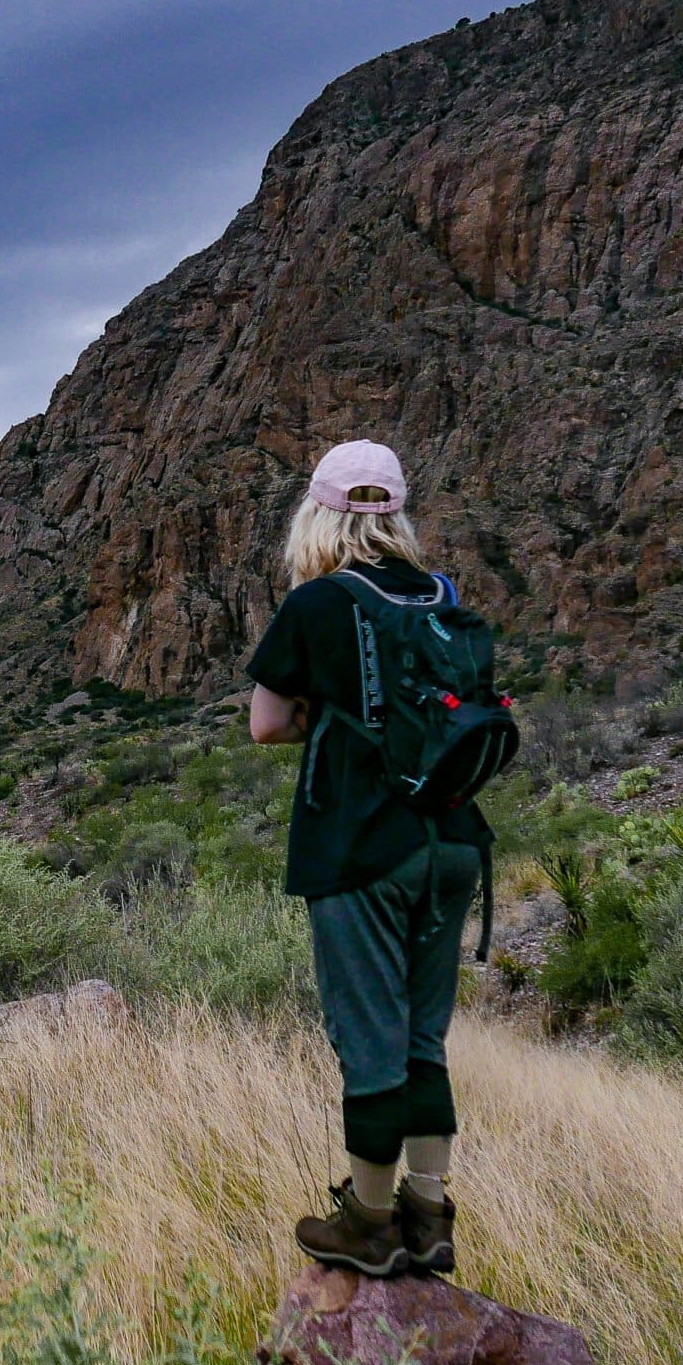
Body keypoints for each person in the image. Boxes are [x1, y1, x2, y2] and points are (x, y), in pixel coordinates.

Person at [245, 438, 493, 1278]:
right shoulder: (441, 595)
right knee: (425, 1039)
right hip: (454, 841)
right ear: (396, 514)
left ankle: (372, 1220)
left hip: (360, 846)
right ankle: (430, 1212)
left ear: (316, 516)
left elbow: (266, 723)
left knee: (370, 1045)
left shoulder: (316, 604)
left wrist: (332, 714)